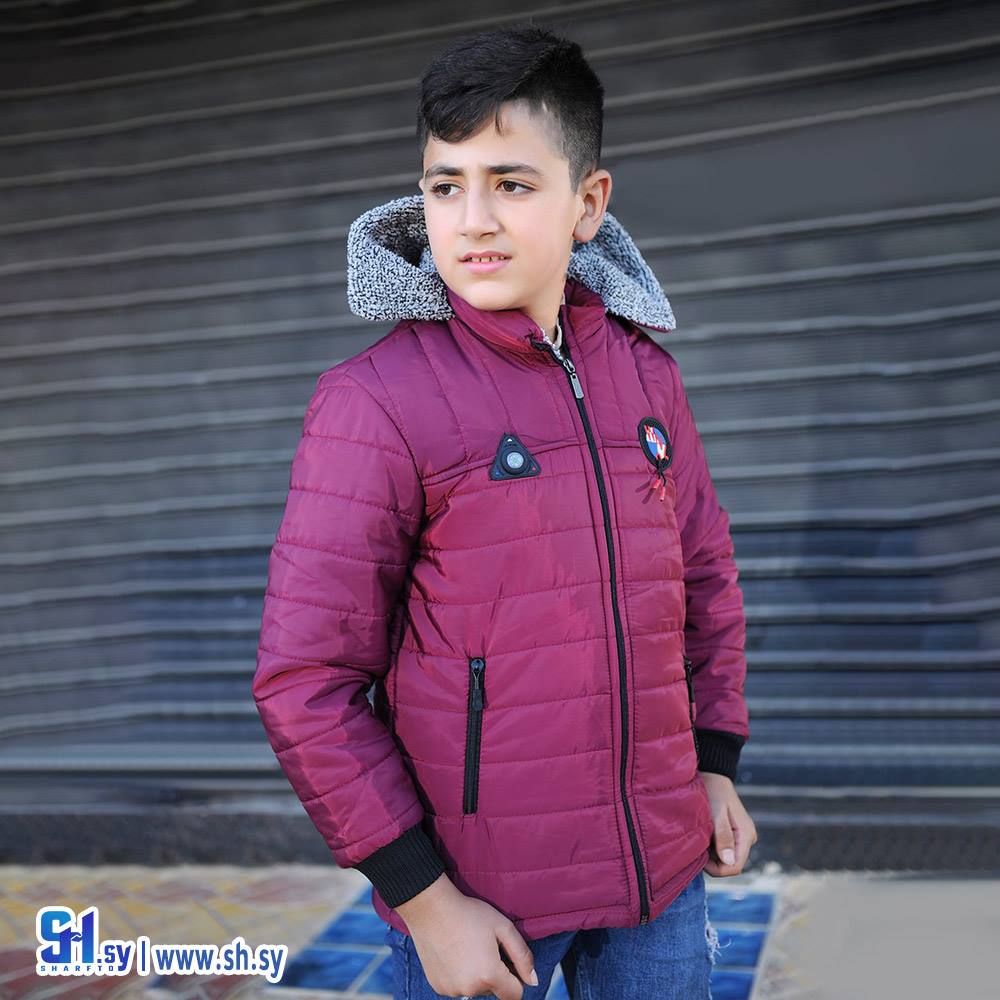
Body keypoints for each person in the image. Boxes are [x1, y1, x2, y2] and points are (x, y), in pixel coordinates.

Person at [251, 20, 756, 1000]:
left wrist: (711, 764)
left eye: (511, 184)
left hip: (660, 876)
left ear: (588, 203)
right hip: (484, 898)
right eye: (446, 186)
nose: (472, 220)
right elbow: (306, 680)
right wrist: (426, 901)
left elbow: (703, 583)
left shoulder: (647, 377)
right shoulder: (377, 401)